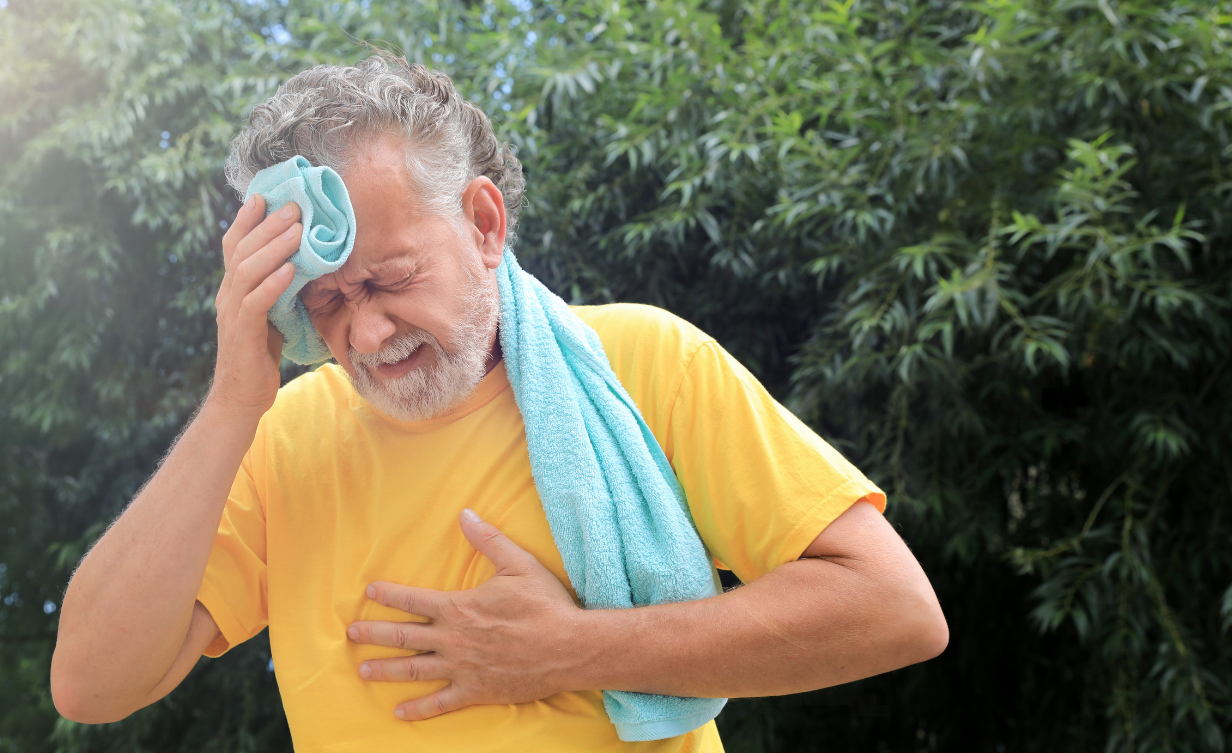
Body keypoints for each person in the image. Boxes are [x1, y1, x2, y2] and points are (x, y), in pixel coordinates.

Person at [50, 54, 948, 752]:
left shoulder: (641, 362)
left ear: (484, 224)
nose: (366, 331)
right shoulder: (283, 436)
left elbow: (892, 606)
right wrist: (231, 404)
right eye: (327, 301)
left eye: (391, 278)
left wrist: (573, 648)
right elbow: (92, 683)